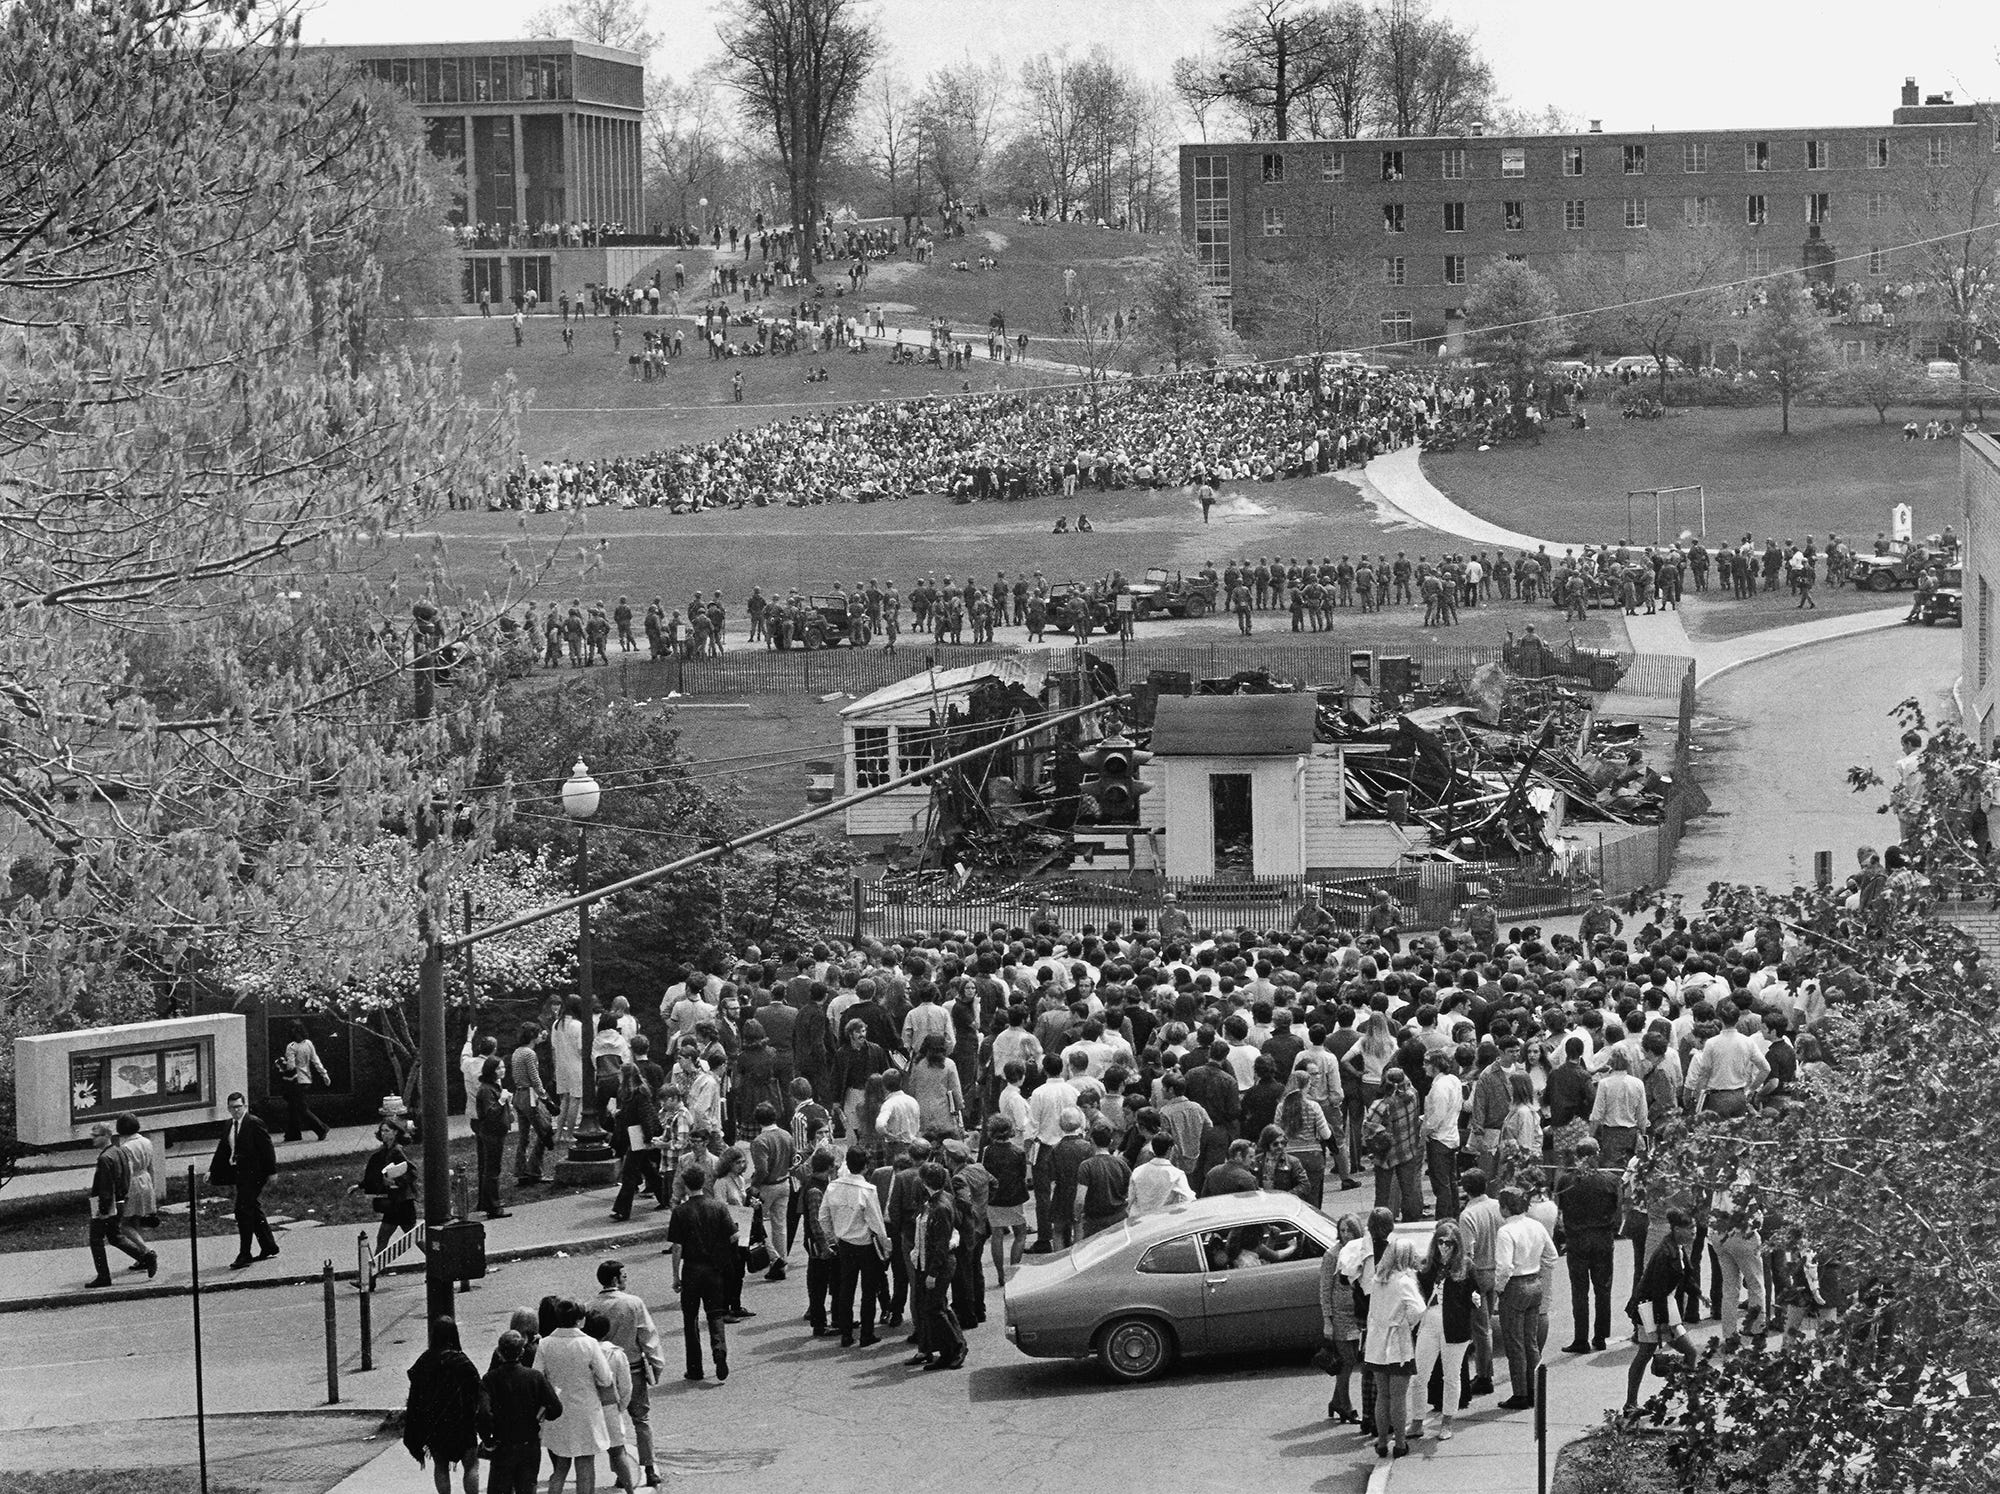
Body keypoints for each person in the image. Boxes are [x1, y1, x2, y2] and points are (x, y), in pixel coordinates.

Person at [590, 1260, 663, 1489]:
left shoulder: (590, 1306)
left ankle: (621, 1473)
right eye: (623, 1275)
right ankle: (649, 1469)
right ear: (614, 1279)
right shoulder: (633, 1303)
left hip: (602, 1370)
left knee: (613, 1423)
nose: (625, 1279)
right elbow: (648, 1336)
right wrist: (656, 1365)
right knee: (641, 1419)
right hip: (633, 1368)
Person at [666, 1162, 738, 1380]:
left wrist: (675, 1275)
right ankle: (719, 1350)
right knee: (715, 1313)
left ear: (686, 1186)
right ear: (704, 1183)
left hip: (692, 1269)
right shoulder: (718, 1207)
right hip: (714, 1269)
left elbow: (677, 1247)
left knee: (691, 1318)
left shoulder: (680, 1211)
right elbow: (733, 1235)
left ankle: (695, 1367)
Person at [1624, 1206, 1699, 1412]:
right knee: (1645, 1353)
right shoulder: (1665, 1253)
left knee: (1690, 1352)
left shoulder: (1680, 1248)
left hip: (1666, 1305)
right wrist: (1662, 1324)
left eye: (1694, 1227)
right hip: (1650, 1308)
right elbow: (1656, 1289)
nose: (1694, 1231)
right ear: (1676, 1229)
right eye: (1689, 1227)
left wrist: (1699, 1294)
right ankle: (1630, 1403)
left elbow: (1686, 1276)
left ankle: (1690, 1399)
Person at [402, 1318, 487, 1494]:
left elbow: (416, 1394)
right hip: (463, 1423)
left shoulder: (425, 1360)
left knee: (440, 1466)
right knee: (471, 1464)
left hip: (436, 1424)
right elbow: (476, 1389)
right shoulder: (461, 1361)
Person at [1491, 1186, 1558, 1409]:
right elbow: (1552, 1255)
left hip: (1515, 1285)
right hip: (1534, 1281)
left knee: (1514, 1343)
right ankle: (1534, 1388)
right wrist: (1539, 1270)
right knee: (1531, 1341)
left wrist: (1499, 1289)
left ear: (1505, 1208)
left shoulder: (1506, 1231)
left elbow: (1504, 1267)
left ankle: (1520, 1393)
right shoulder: (1535, 1225)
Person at [820, 1145, 892, 1348]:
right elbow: (877, 1222)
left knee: (846, 1289)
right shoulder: (867, 1190)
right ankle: (866, 1333)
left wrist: (832, 1237)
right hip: (866, 1244)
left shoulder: (833, 1186)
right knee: (868, 1291)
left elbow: (823, 1216)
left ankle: (846, 1334)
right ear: (866, 1166)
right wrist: (886, 1245)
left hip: (844, 1244)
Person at [538, 1299, 613, 1494]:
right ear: (580, 1320)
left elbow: (538, 1378)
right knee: (585, 1463)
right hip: (586, 1410)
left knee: (561, 1464)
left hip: (558, 1410)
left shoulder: (545, 1344)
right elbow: (605, 1379)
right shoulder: (589, 1344)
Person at [1555, 1136, 1622, 1352]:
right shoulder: (1610, 1180)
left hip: (1577, 1239)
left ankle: (1581, 1338)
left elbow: (1562, 1207)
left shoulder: (1567, 1181)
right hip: (1602, 1238)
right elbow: (1618, 1212)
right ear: (1596, 1154)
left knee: (1579, 1290)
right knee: (1603, 1289)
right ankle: (1601, 1336)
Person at [1411, 1221, 1476, 1440]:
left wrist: (1474, 1300)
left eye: (1449, 1243)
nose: (1444, 1247)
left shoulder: (1466, 1266)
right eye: (1440, 1242)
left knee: (1451, 1376)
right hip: (1430, 1321)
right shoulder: (1428, 1266)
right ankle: (1417, 1421)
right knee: (1419, 1375)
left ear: (1457, 1245)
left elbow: (1473, 1295)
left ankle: (1447, 1421)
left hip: (1455, 1326)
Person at [1363, 1238, 1425, 1459]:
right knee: (1398, 1397)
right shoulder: (1403, 1281)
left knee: (1383, 1395)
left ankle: (1381, 1442)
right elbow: (1418, 1308)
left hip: (1377, 1343)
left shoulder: (1378, 1280)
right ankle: (1399, 1443)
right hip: (1397, 1343)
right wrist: (1406, 1323)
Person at [482, 1328, 564, 1494]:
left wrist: (487, 1439)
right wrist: (541, 1415)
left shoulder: (490, 1379)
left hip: (502, 1443)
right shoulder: (535, 1377)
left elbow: (484, 1413)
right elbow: (556, 1408)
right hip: (529, 1443)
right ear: (522, 1352)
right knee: (527, 1488)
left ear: (499, 1352)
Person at [908, 1161, 968, 1370]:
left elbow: (941, 1243)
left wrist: (932, 1272)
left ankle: (955, 1346)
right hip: (927, 1261)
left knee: (934, 1308)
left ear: (925, 1182)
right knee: (936, 1306)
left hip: (937, 1264)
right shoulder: (937, 1201)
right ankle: (943, 1350)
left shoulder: (940, 1206)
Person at [209, 1091, 279, 1269]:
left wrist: (272, 1172)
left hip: (256, 1173)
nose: (236, 1111)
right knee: (252, 1208)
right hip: (240, 1173)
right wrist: (212, 1170)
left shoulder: (254, 1123)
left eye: (239, 1107)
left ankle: (244, 1254)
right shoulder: (229, 1125)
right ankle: (269, 1246)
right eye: (232, 1108)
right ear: (228, 1108)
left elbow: (267, 1148)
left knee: (243, 1210)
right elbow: (223, 1149)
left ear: (245, 1106)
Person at [84, 1121, 155, 1287]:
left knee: (95, 1239)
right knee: (115, 1236)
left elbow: (106, 1186)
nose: (93, 1139)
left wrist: (102, 1209)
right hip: (120, 1200)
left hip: (106, 1204)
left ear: (107, 1136)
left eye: (96, 1136)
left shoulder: (105, 1158)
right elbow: (126, 1176)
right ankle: (145, 1256)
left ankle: (103, 1276)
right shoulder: (118, 1151)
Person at [359, 1117, 419, 1252]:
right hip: (396, 1201)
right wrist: (360, 1185)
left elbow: (412, 1172)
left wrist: (396, 1181)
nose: (383, 1133)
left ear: (395, 1132)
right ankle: (374, 1270)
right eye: (381, 1131)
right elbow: (375, 1173)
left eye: (387, 1130)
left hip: (402, 1201)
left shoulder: (397, 1151)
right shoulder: (385, 1150)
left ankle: (436, 1261)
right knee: (385, 1236)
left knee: (410, 1236)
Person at [275, 1021, 331, 1143]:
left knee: (300, 1108)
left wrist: (281, 1064)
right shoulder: (309, 1044)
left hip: (295, 1081)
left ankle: (321, 1128)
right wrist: (324, 1074)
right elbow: (316, 1060)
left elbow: (290, 1067)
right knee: (292, 1107)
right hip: (307, 1079)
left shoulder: (291, 1047)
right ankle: (292, 1134)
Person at [474, 1056, 513, 1220]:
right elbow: (490, 1113)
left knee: (490, 1169)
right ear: (491, 1071)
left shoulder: (494, 1087)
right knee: (492, 1170)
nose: (502, 1070)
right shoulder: (486, 1090)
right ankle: (493, 1206)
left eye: (503, 1067)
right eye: (498, 1068)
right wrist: (502, 1100)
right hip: (491, 1134)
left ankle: (488, 1203)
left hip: (496, 1132)